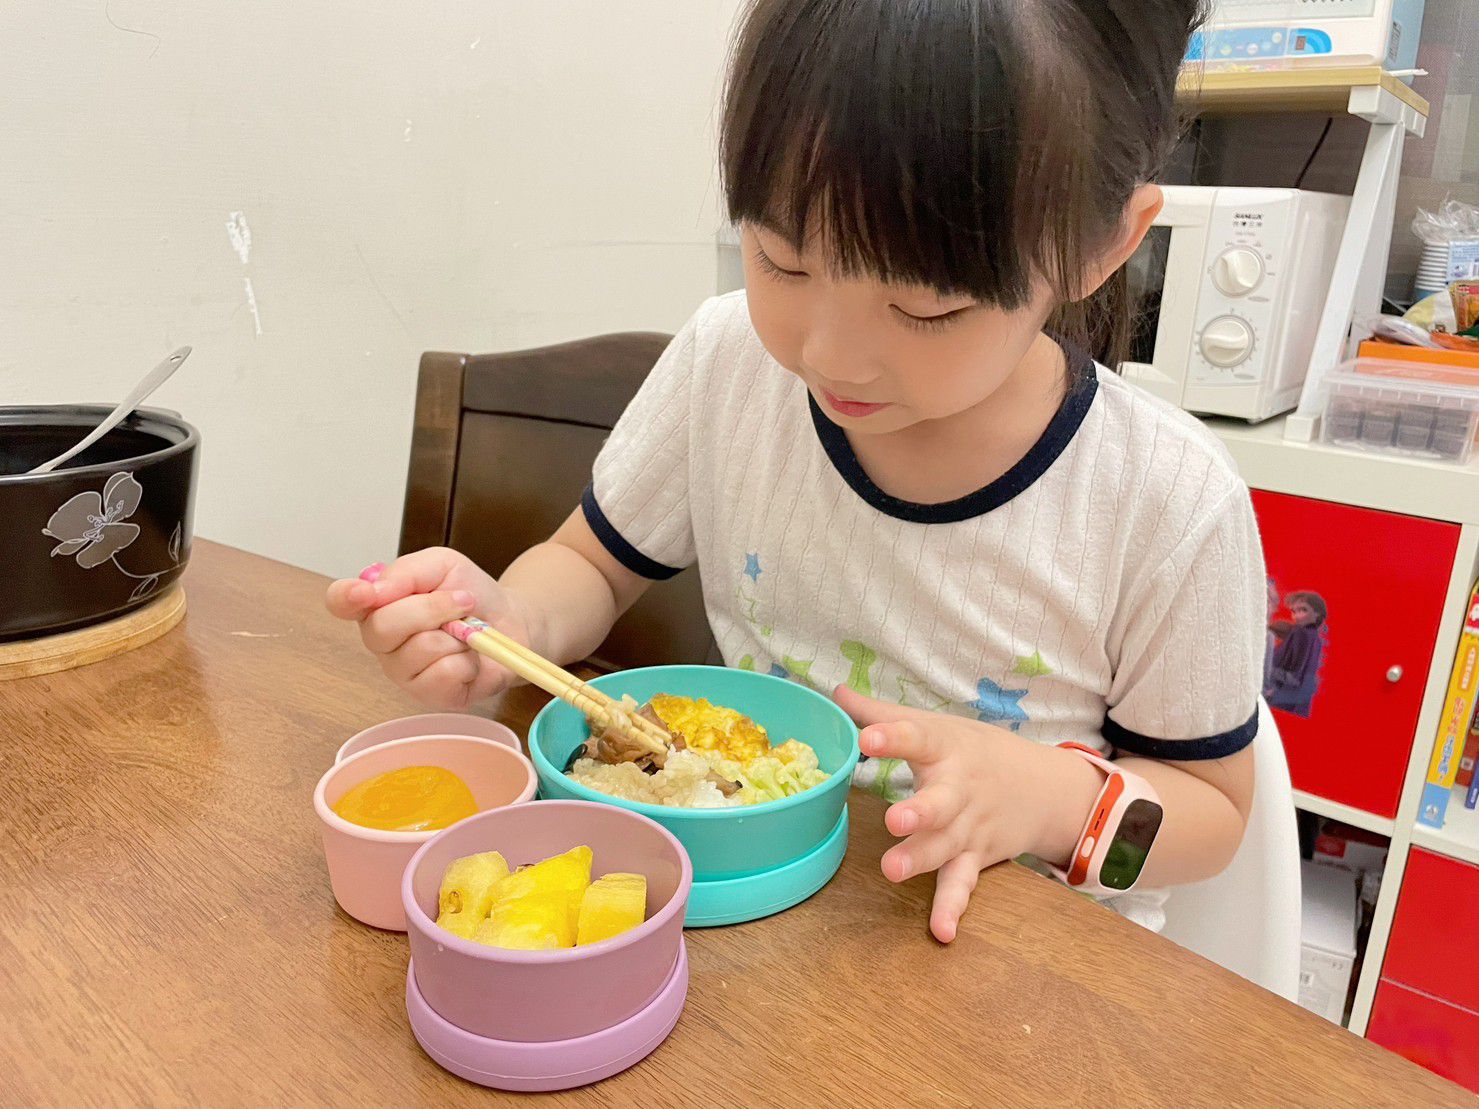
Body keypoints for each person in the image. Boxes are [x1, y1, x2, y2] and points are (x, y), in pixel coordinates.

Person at [327, 0, 1265, 940]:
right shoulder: (727, 362)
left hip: (1012, 952)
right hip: (754, 908)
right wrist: (514, 622)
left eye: (927, 309)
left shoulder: (1167, 500)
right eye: (781, 260)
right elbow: (592, 565)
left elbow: (1213, 817)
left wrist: (1051, 800)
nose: (829, 356)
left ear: (1104, 245)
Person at [1266, 592, 1329, 719]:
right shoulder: (1314, 638)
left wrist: (1267, 672)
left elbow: (1294, 676)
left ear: (1317, 613)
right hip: (1295, 702)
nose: (1296, 616)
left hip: (1280, 698)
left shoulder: (1300, 634)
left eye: (1303, 610)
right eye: (1294, 611)